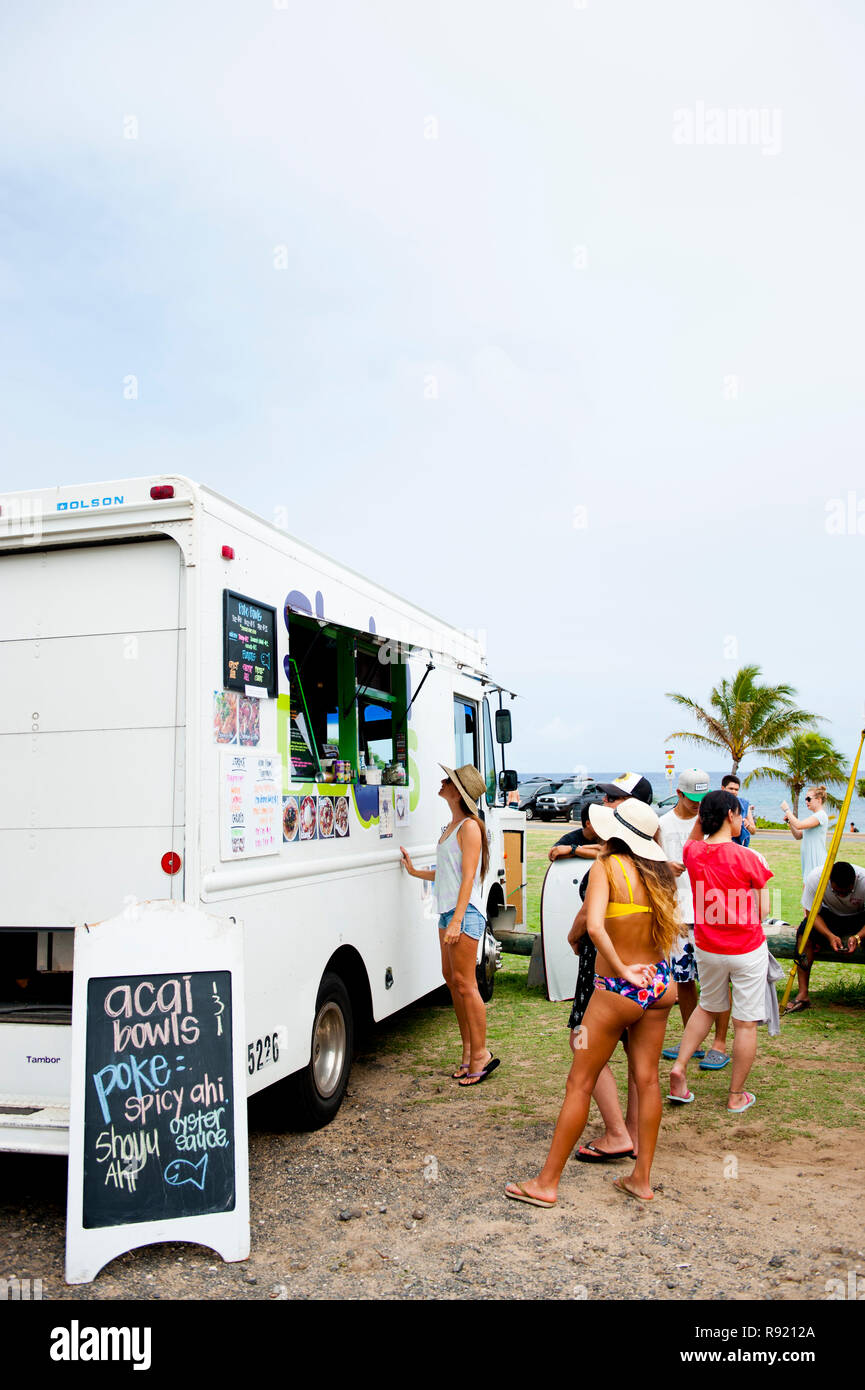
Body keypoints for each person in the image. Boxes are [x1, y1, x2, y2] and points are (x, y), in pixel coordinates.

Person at [505, 798, 679, 1206]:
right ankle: (641, 1179)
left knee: (579, 1082)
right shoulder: (661, 874)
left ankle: (547, 1183)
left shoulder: (606, 867)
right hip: (659, 987)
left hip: (618, 990)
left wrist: (620, 968)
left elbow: (595, 927)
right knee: (648, 1080)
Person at [565, 776, 654, 1161]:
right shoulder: (654, 860)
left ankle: (617, 1132)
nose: (607, 801)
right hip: (649, 969)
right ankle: (634, 1132)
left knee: (581, 1042)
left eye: (616, 797)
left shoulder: (608, 863)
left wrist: (574, 933)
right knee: (639, 1054)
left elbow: (591, 916)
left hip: (605, 967)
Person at [668, 790, 772, 1113]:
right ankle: (736, 1095)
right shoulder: (749, 858)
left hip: (708, 947)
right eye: (739, 814)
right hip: (746, 947)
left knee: (707, 1006)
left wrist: (704, 815)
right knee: (745, 1023)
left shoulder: (693, 853)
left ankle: (680, 1068)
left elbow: (693, 837)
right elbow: (764, 911)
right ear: (731, 815)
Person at [400, 763, 499, 1086]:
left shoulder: (470, 827)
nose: (442, 783)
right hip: (448, 912)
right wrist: (415, 872)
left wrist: (457, 920)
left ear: (458, 792)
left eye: (448, 781)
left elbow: (469, 877)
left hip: (464, 913)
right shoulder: (452, 825)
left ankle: (481, 1054)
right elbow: (449, 874)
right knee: (454, 982)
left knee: (466, 984)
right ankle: (469, 1052)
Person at [659, 770, 732, 1071]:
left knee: (717, 981)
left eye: (702, 800)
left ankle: (720, 1042)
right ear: (678, 794)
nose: (697, 805)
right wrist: (665, 867)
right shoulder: (661, 824)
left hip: (710, 913)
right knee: (684, 980)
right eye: (692, 800)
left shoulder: (715, 822)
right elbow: (649, 861)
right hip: (676, 913)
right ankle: (694, 1039)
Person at [783, 861, 865, 1012]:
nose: (841, 896)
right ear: (829, 881)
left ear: (855, 881)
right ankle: (803, 995)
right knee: (804, 934)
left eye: (846, 892)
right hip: (828, 915)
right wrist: (829, 935)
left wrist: (858, 937)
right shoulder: (816, 878)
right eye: (836, 892)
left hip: (859, 917)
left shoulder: (864, 880)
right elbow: (811, 914)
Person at [781, 786, 829, 880]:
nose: (806, 801)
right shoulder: (815, 816)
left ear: (818, 800)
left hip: (816, 859)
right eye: (805, 799)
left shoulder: (821, 815)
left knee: (810, 889)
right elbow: (798, 835)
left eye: (808, 799)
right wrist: (790, 823)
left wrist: (787, 810)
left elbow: (799, 825)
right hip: (808, 860)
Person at [721, 774, 756, 846]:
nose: (733, 792)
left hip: (739, 846)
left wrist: (747, 824)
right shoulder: (716, 803)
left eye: (736, 789)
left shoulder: (744, 805)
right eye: (731, 789)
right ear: (723, 788)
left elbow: (753, 831)